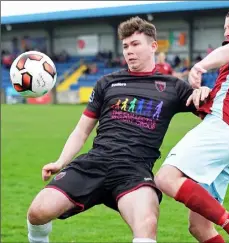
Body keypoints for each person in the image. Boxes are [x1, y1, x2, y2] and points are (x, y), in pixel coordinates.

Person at [26, 16, 209, 243]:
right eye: (125, 46)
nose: (129, 51)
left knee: (147, 224)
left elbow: (213, 118)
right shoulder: (107, 82)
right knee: (37, 212)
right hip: (95, 162)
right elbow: (82, 130)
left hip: (134, 170)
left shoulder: (173, 87)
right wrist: (60, 161)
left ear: (153, 46)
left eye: (135, 44)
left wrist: (205, 93)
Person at [155, 5, 229, 243]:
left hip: (221, 128)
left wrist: (200, 66)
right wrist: (207, 93)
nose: (227, 33)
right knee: (199, 227)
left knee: (165, 178)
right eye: (225, 29)